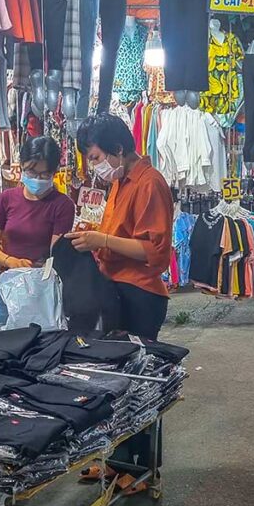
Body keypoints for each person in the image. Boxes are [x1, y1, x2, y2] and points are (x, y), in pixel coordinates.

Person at [67, 113, 173, 340]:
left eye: (95, 158)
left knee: (134, 367)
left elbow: (155, 251)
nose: (94, 166)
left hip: (139, 293)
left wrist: (102, 240)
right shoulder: (119, 182)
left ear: (117, 149)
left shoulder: (149, 183)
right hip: (115, 287)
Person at [0, 136, 76, 325]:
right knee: (1, 345)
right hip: (8, 289)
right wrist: (11, 261)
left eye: (44, 174)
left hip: (42, 292)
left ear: (53, 173)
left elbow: (55, 255)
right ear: (22, 166)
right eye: (32, 172)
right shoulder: (6, 199)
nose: (38, 179)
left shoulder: (62, 205)